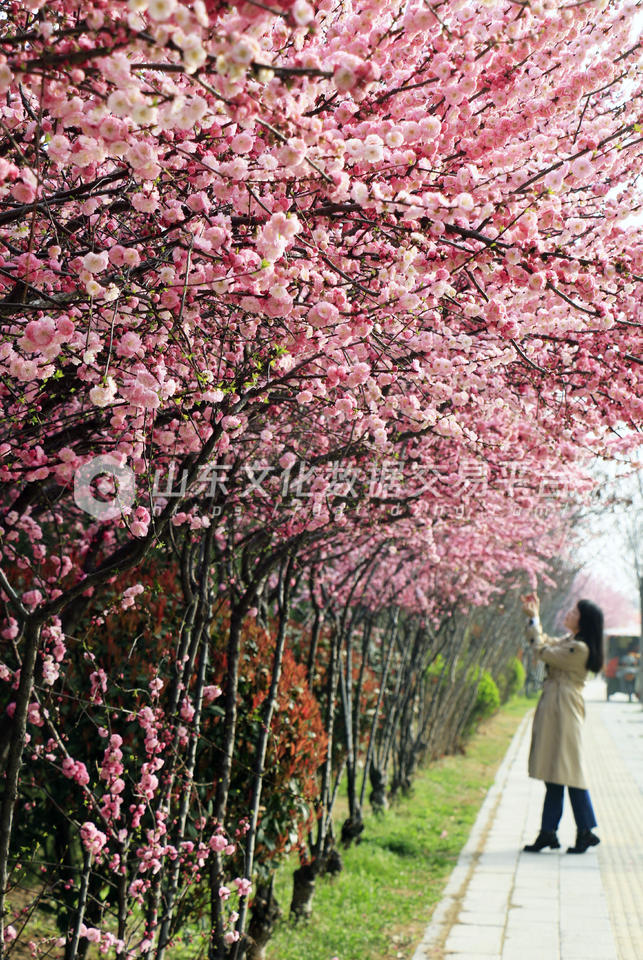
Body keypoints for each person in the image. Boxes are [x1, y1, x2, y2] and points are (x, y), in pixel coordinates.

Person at [520, 592, 604, 854]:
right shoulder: (570, 642)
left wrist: (535, 621)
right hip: (557, 707)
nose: (569, 613)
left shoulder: (579, 649)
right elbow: (545, 642)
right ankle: (549, 832)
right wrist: (534, 618)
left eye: (575, 612)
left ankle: (585, 830)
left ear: (584, 621)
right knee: (554, 773)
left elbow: (542, 651)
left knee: (568, 769)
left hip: (564, 709)